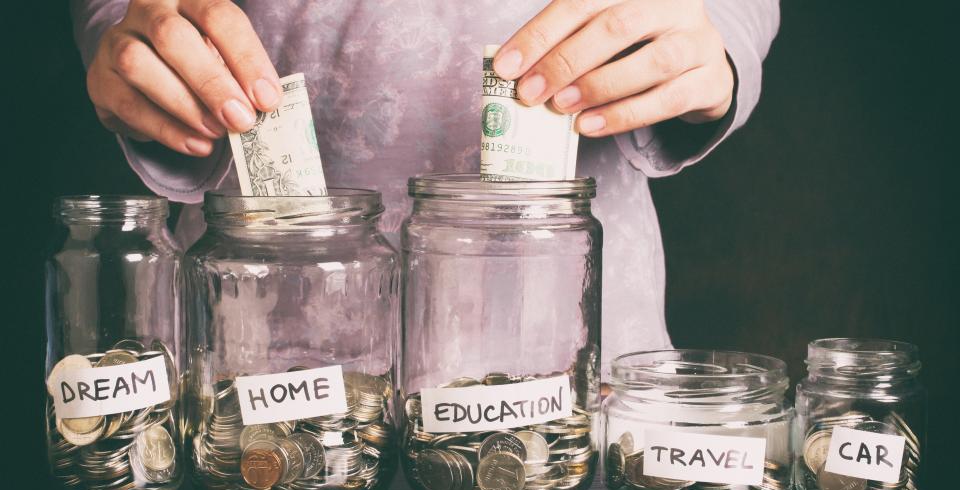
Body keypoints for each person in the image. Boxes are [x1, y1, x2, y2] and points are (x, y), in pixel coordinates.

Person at [70, 0, 780, 378]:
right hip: (261, 350)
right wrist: (134, 33)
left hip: (566, 343)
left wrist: (713, 33)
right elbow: (127, 14)